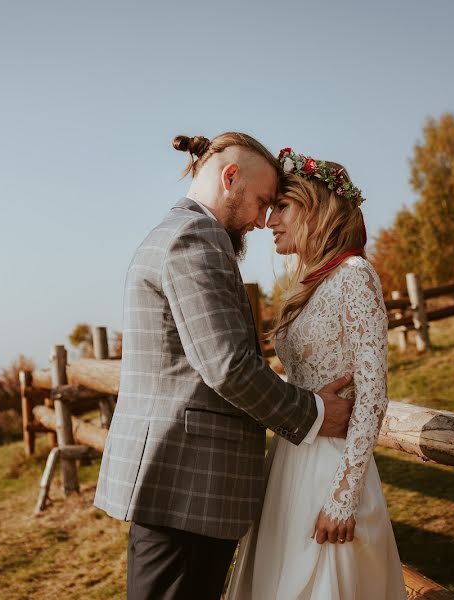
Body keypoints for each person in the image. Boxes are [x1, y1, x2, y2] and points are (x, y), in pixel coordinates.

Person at [93, 133, 357, 600]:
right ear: (229, 177)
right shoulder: (197, 237)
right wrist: (315, 413)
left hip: (181, 481)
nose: (261, 220)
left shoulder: (179, 232)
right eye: (260, 202)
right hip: (190, 482)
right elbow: (227, 367)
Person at [226, 149, 407, 599]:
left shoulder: (355, 275)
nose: (269, 222)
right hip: (289, 459)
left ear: (316, 209)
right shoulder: (307, 284)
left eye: (282, 207)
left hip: (332, 467)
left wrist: (344, 496)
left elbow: (373, 394)